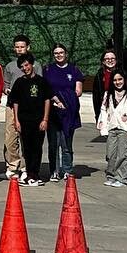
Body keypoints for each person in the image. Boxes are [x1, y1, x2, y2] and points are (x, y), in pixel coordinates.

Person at [7, 55, 54, 185]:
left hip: (38, 120)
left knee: (37, 147)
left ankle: (35, 174)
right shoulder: (19, 82)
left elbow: (47, 100)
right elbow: (15, 101)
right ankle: (29, 173)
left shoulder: (41, 82)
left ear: (32, 65)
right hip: (24, 120)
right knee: (26, 148)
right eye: (22, 67)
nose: (25, 68)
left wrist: (45, 119)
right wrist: (16, 120)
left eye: (27, 65)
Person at [2, 35, 41, 178]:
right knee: (10, 138)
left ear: (28, 47)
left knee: (26, 138)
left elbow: (39, 85)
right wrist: (7, 91)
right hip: (12, 106)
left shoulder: (36, 65)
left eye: (22, 46)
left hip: (29, 108)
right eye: (17, 47)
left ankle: (26, 166)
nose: (19, 49)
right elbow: (5, 84)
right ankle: (13, 166)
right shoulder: (10, 66)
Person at [42, 44, 83, 181]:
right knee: (53, 144)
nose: (59, 55)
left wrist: (66, 99)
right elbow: (45, 88)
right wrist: (55, 100)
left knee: (66, 144)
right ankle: (54, 170)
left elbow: (78, 91)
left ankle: (67, 170)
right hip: (52, 112)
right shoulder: (48, 69)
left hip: (68, 113)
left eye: (61, 52)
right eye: (56, 53)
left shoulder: (74, 69)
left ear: (66, 53)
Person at [97, 70, 127, 187]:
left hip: (124, 128)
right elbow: (103, 111)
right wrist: (104, 128)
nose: (118, 82)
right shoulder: (108, 95)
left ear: (124, 80)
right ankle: (111, 175)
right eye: (115, 80)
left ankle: (122, 178)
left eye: (120, 79)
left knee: (123, 154)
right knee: (110, 154)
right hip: (112, 128)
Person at [91, 50, 120, 128]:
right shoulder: (99, 76)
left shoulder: (122, 74)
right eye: (107, 59)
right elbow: (96, 98)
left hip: (120, 110)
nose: (110, 60)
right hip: (106, 109)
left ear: (116, 60)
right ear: (103, 61)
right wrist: (97, 115)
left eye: (112, 58)